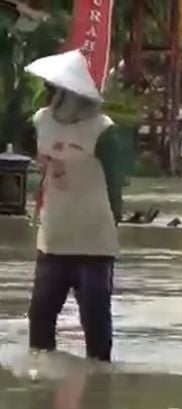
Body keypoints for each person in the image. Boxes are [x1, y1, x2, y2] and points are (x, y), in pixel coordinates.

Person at [24, 50, 127, 362]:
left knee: (96, 325)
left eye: (54, 88)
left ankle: (99, 389)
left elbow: (115, 186)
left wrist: (114, 224)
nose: (49, 93)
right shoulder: (41, 122)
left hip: (94, 244)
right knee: (40, 319)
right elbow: (36, 168)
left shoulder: (103, 130)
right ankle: (40, 389)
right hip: (54, 239)